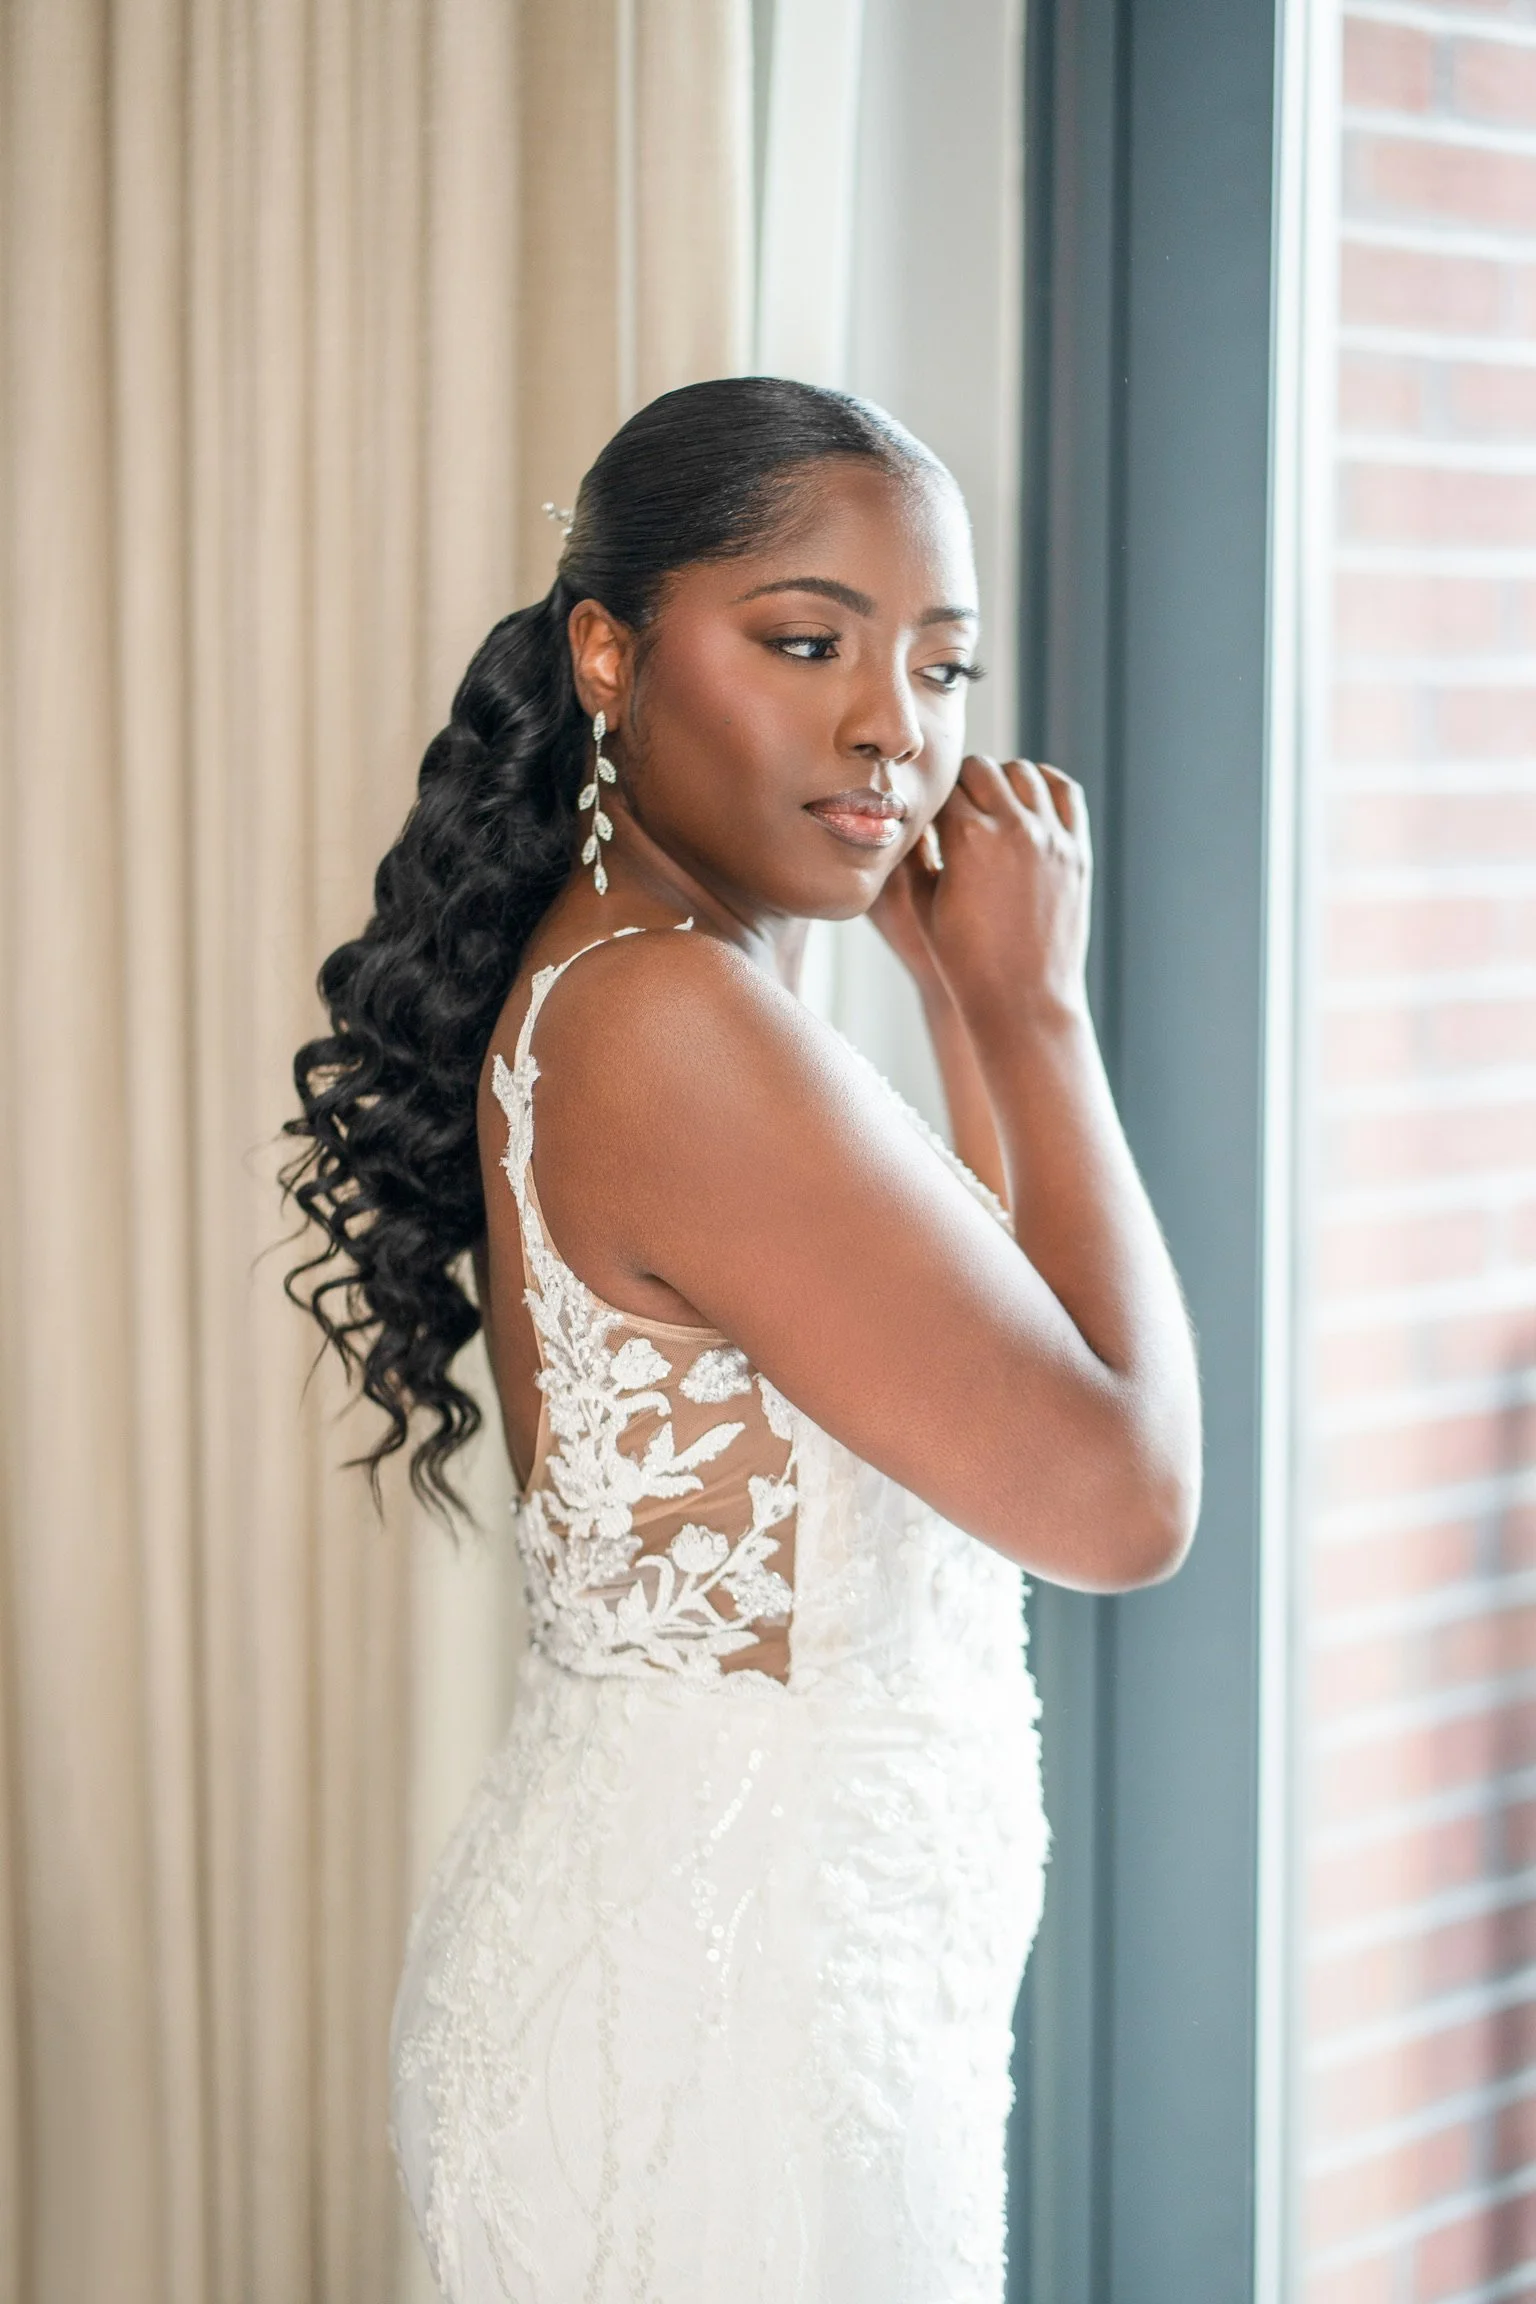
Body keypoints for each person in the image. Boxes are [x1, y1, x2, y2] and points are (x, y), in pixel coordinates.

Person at [283, 376, 1201, 2303]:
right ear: (608, 652)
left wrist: (962, 997)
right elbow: (1120, 1500)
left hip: (758, 1984)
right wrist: (1038, 1019)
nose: (898, 729)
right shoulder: (673, 1023)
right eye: (808, 642)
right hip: (731, 2032)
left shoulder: (659, 984)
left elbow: (981, 1361)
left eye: (943, 668)